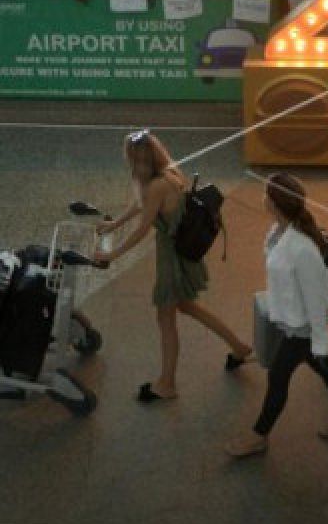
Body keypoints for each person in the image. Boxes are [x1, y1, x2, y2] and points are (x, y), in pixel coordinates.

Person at [93, 130, 253, 402]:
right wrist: (115, 224)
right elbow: (142, 204)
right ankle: (239, 347)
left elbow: (144, 227)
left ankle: (167, 384)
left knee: (166, 318)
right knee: (187, 306)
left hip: (173, 258)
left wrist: (113, 255)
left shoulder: (156, 185)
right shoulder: (170, 171)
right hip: (182, 251)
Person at [225, 174, 328, 457]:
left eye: (266, 195)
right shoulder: (284, 230)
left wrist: (319, 341)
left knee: (279, 376)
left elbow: (316, 296)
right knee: (320, 366)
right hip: (295, 322)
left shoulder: (302, 248)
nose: (262, 199)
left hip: (302, 328)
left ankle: (258, 435)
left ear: (273, 203)